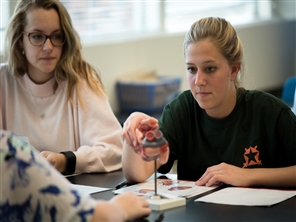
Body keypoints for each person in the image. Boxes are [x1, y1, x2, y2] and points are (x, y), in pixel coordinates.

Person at [122, 17, 296, 188]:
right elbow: (137, 174)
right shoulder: (181, 110)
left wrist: (248, 175)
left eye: (210, 69)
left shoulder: (270, 112)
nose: (198, 81)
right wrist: (133, 132)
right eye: (191, 69)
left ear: (234, 70)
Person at [0, 0, 123, 175]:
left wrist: (65, 161)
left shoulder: (81, 80)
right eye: (37, 36)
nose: (48, 47)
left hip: (71, 193)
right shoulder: (3, 81)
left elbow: (115, 149)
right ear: (20, 40)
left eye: (57, 36)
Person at [0, 130, 151, 221]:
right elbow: (92, 217)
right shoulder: (8, 151)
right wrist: (119, 209)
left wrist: (67, 160)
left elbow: (114, 150)